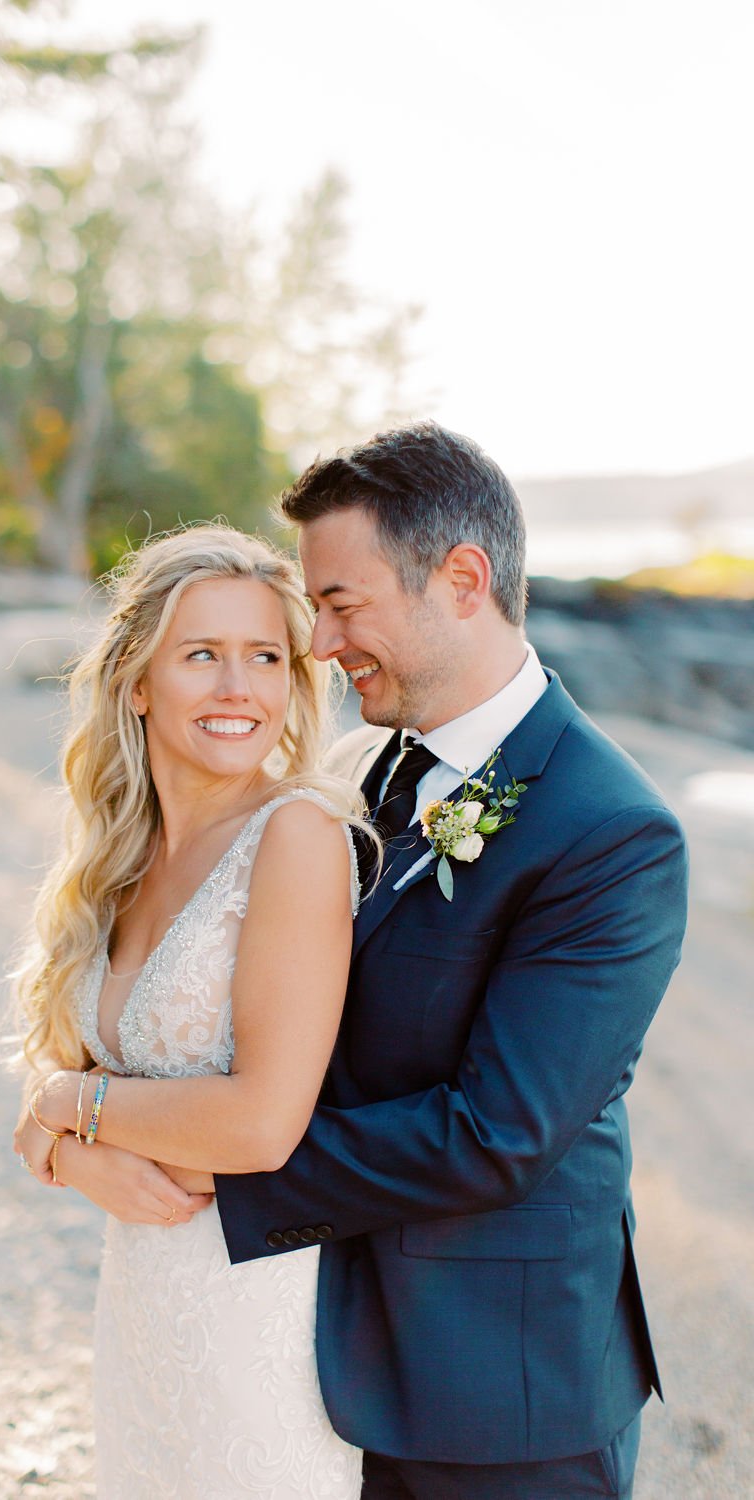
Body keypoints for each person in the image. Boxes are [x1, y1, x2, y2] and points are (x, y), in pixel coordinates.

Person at [210, 423, 689, 1499]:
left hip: (501, 1394)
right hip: (324, 1344)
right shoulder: (374, 769)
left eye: (341, 602)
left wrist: (216, 1159)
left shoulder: (611, 831)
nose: (321, 644)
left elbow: (496, 1133)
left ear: (461, 580)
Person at [11, 524, 376, 1498]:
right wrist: (69, 1135)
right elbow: (70, 1076)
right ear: (137, 681)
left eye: (264, 657)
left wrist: (66, 1112)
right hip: (141, 1305)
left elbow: (259, 1124)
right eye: (201, 655)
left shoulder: (295, 838)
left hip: (256, 1320)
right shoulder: (119, 858)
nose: (237, 689)